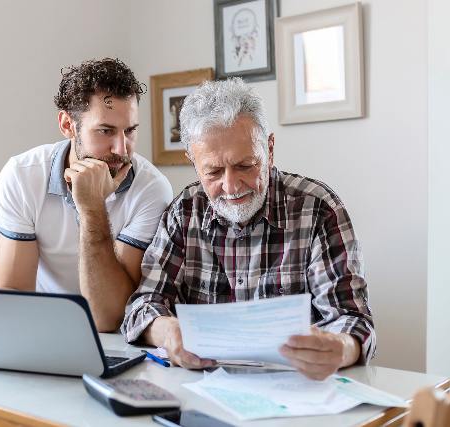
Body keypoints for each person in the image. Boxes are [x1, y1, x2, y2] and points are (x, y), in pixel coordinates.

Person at [121, 78, 375, 380]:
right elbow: (142, 306)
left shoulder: (317, 208)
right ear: (192, 161)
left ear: (269, 148)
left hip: (296, 390)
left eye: (245, 165)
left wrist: (342, 347)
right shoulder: (184, 212)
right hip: (204, 388)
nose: (231, 186)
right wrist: (166, 331)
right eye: (213, 171)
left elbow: (352, 319)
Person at [0, 58, 173, 332]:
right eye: (105, 131)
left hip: (117, 340)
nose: (122, 149)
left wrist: (92, 208)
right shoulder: (22, 175)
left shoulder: (151, 189)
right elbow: (14, 291)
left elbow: (110, 317)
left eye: (130, 130)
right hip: (41, 329)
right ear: (67, 124)